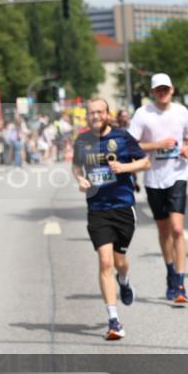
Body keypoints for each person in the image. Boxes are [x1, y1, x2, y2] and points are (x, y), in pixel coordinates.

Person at [72, 98, 150, 339]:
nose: (96, 116)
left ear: (107, 114)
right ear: (87, 117)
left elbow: (145, 161)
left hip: (123, 207)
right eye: (91, 113)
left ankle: (124, 280)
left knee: (119, 261)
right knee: (105, 261)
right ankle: (114, 320)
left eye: (100, 112)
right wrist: (80, 180)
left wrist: (124, 169)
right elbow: (76, 166)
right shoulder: (82, 140)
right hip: (97, 208)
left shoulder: (122, 137)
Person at [128, 73, 188, 305]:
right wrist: (156, 145)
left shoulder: (182, 112)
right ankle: (170, 271)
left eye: (166, 89)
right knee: (164, 229)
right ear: (152, 91)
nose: (162, 92)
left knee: (177, 229)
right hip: (153, 177)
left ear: (172, 89)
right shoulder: (142, 113)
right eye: (158, 89)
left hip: (177, 173)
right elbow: (130, 144)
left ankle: (180, 283)